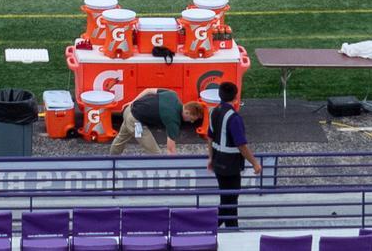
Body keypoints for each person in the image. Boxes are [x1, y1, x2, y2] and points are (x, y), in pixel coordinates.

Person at [204, 80, 259, 228]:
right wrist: (255, 163)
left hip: (217, 163)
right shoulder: (234, 118)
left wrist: (210, 158)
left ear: (220, 96)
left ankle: (230, 227)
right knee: (231, 199)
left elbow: (209, 137)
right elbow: (241, 145)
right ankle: (213, 227)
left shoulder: (214, 112)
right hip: (231, 166)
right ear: (236, 98)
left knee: (227, 198)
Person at [108, 86, 201, 156]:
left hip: (129, 110)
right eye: (192, 119)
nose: (192, 122)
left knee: (120, 140)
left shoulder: (173, 94)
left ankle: (110, 162)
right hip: (136, 123)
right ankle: (158, 177)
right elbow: (171, 150)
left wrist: (132, 101)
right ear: (187, 112)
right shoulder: (174, 120)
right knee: (155, 154)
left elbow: (148, 90)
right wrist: (174, 168)